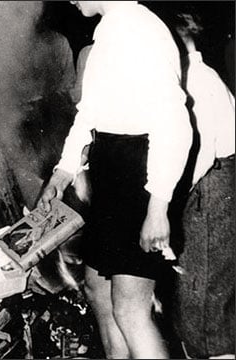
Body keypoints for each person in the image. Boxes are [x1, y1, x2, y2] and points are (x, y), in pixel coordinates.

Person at [38, 2, 192, 358]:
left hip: (138, 178)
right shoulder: (111, 28)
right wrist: (63, 173)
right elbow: (90, 111)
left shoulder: (140, 29)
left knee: (130, 310)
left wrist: (158, 207)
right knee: (98, 291)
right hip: (111, 176)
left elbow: (175, 124)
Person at [171, 11, 235, 359]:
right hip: (216, 181)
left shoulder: (197, 80)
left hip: (213, 186)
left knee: (206, 288)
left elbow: (203, 151)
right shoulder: (200, 75)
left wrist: (172, 199)